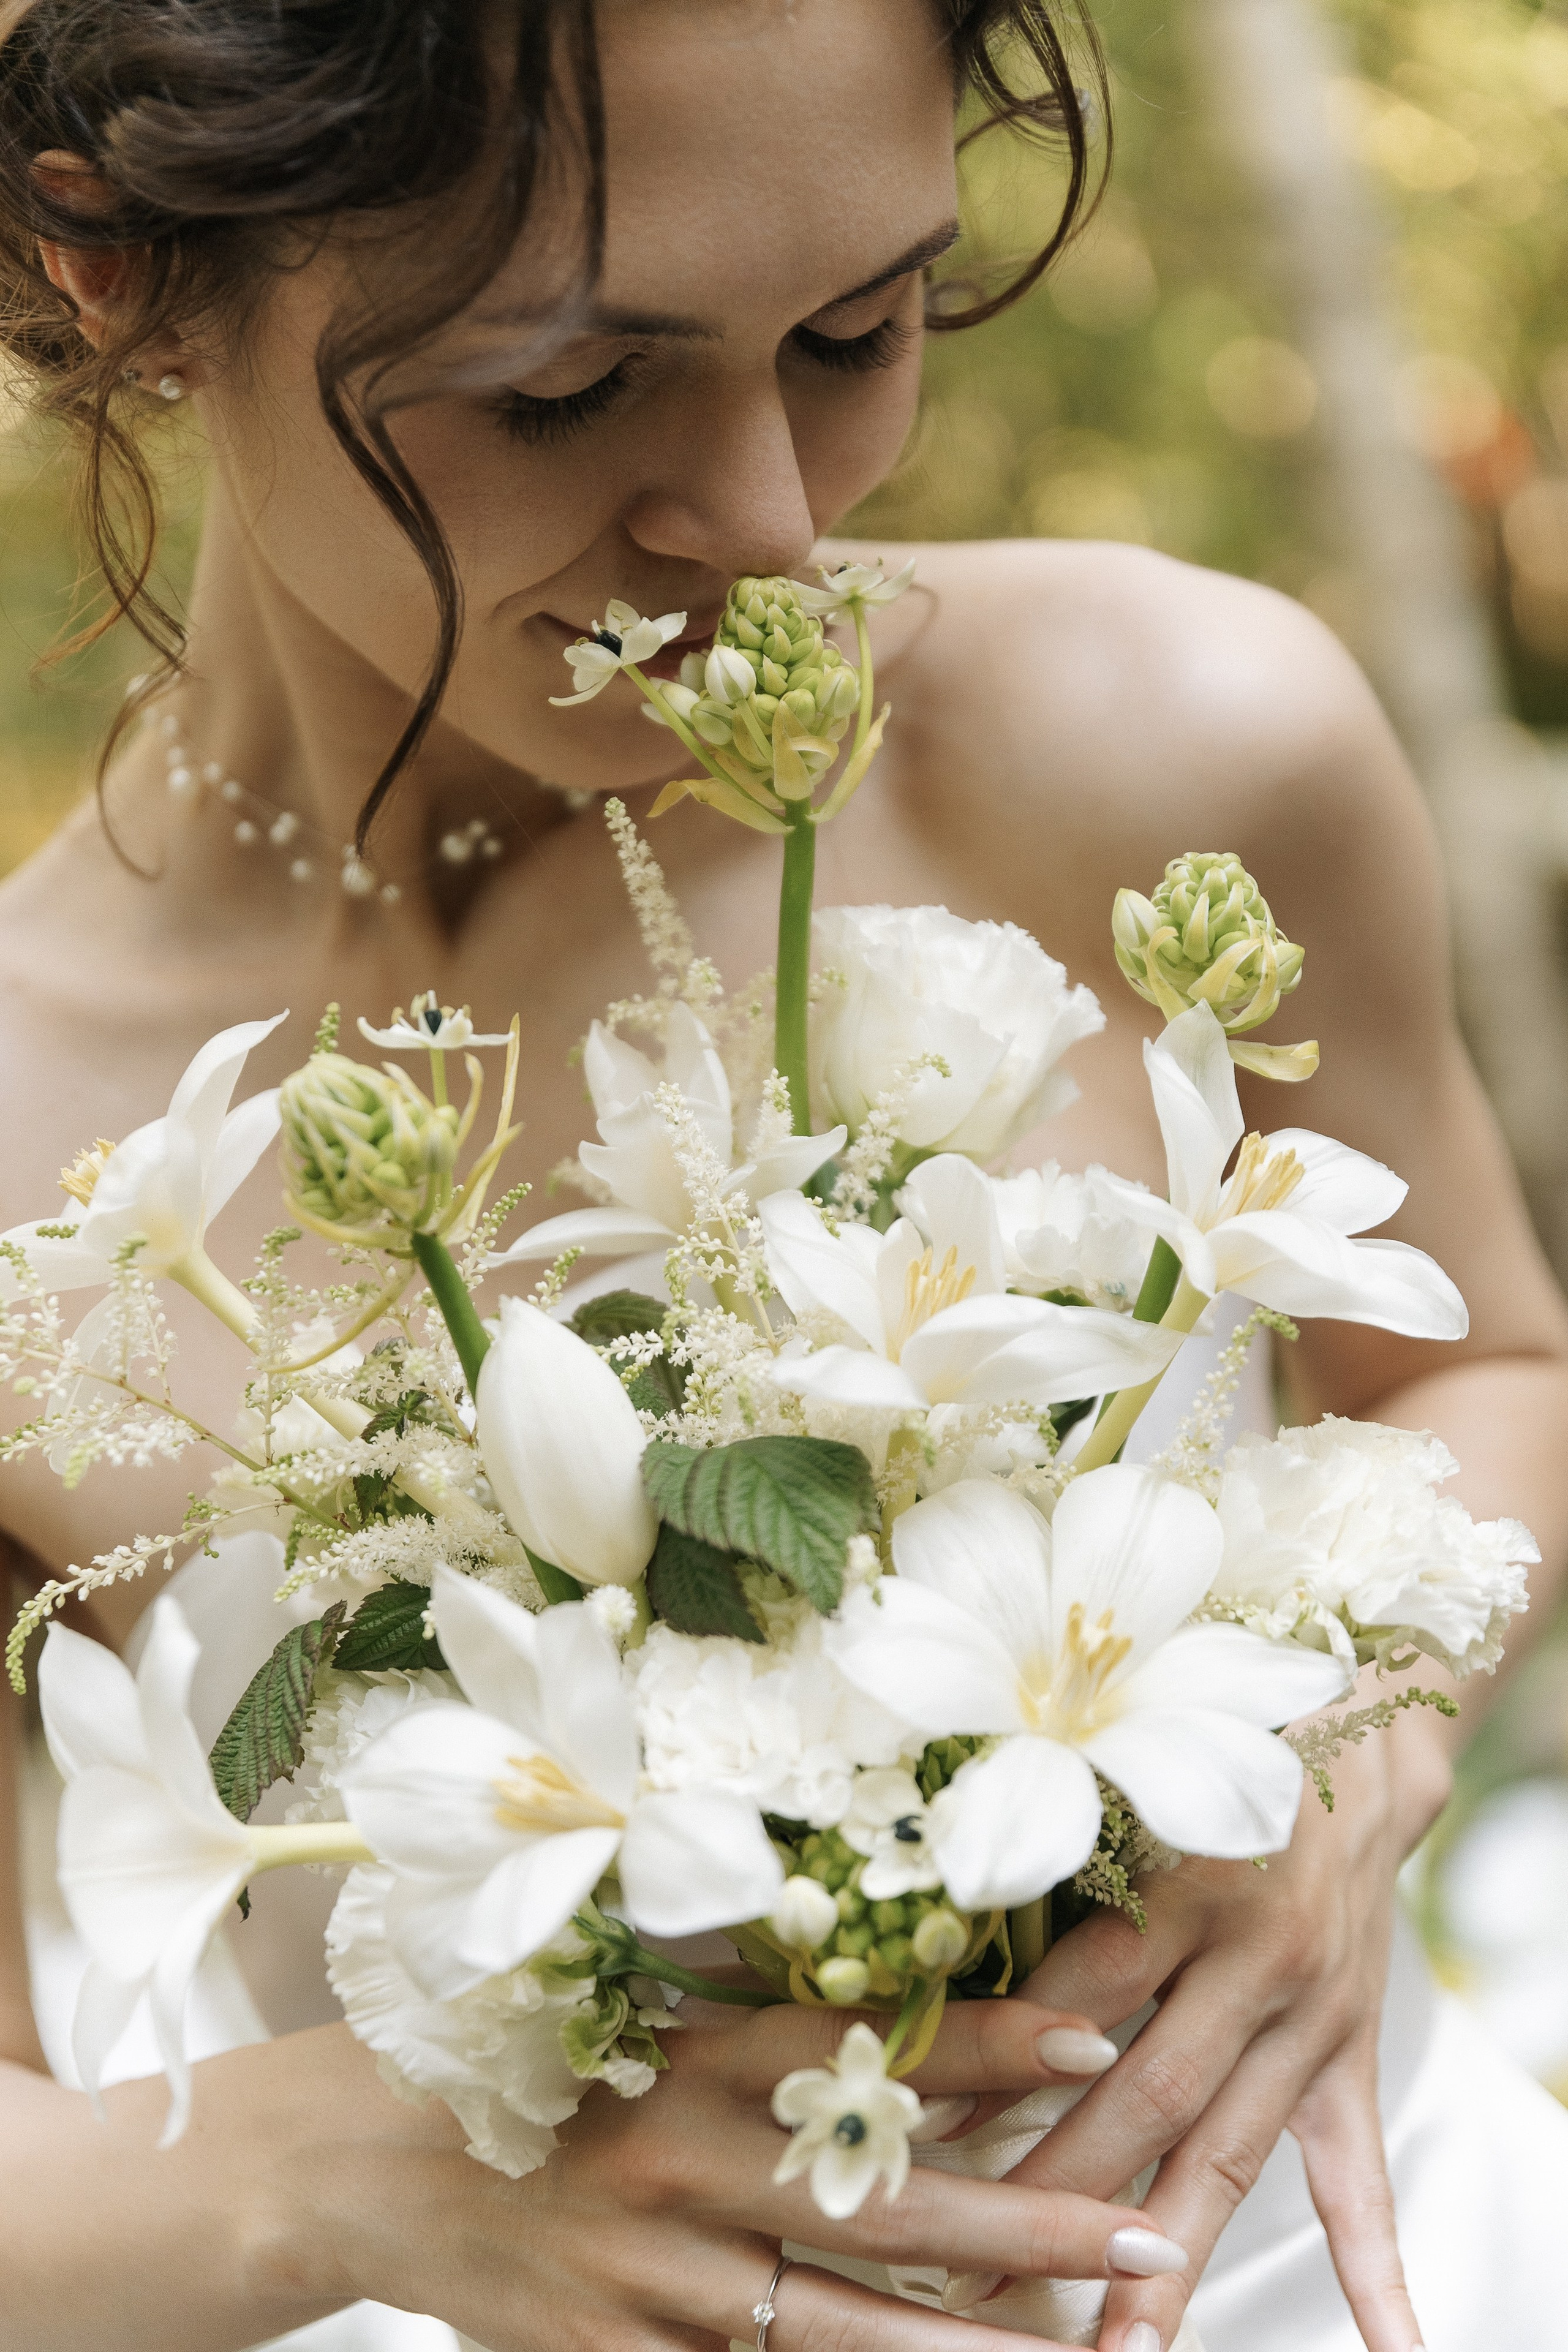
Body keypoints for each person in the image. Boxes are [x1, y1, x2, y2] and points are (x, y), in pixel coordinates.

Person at [0, 3, 1564, 2348]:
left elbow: (1487, 1356)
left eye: (858, 329)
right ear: (110, 259)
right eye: (560, 386)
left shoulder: (1165, 743)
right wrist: (341, 2177)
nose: (766, 519)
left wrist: (1363, 1755)